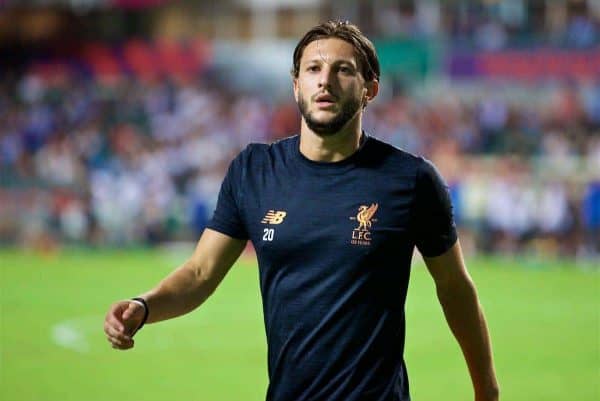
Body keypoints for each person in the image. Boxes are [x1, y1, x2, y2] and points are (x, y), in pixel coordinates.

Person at [103, 20, 500, 401]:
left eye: (343, 70)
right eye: (313, 69)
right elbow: (200, 273)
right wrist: (144, 306)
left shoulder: (410, 179)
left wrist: (487, 390)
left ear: (370, 89)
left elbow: (455, 288)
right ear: (296, 86)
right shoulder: (254, 171)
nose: (325, 80)